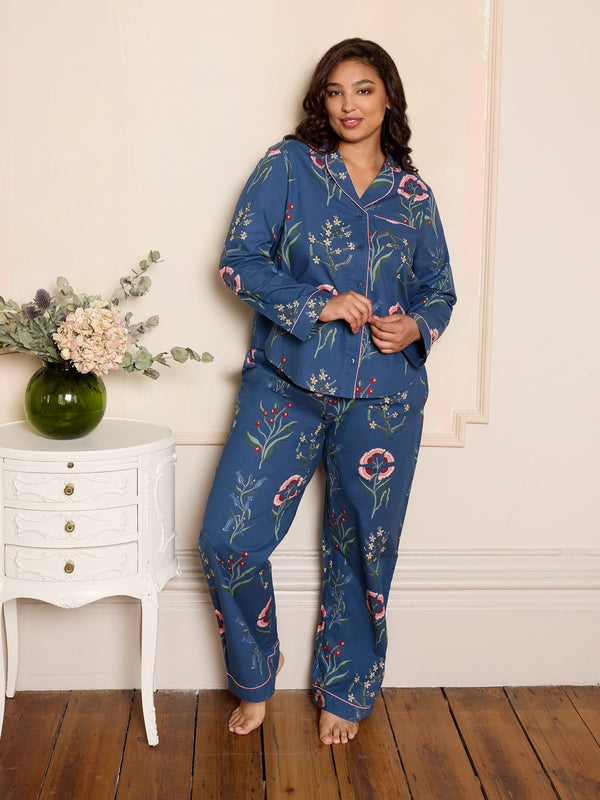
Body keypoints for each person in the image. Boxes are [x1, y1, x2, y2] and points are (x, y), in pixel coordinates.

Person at [198, 37, 456, 746]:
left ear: (389, 98)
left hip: (385, 396)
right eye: (336, 91)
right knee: (228, 540)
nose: (349, 104)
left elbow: (440, 290)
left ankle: (346, 686)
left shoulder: (413, 193)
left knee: (365, 551)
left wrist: (416, 327)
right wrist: (317, 302)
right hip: (286, 382)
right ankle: (256, 674)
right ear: (321, 100)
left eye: (364, 90)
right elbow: (237, 264)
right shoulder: (288, 167)